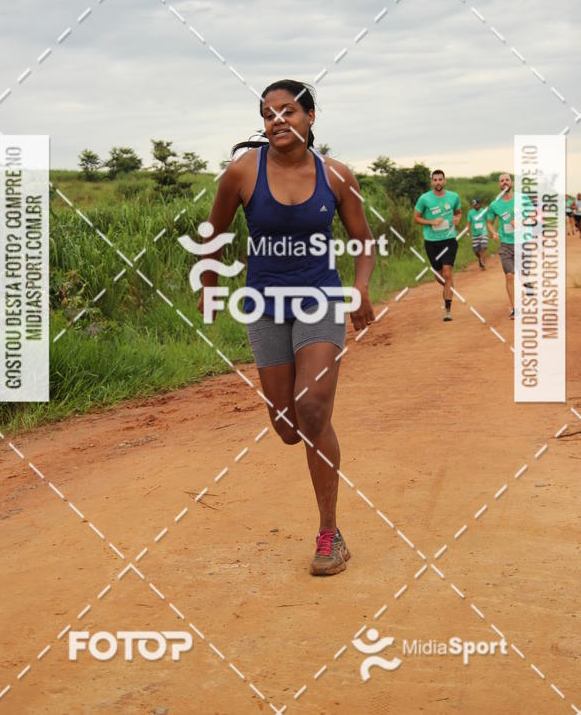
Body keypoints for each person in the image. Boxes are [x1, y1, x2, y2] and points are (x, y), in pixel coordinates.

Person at [197, 79, 376, 576]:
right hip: (265, 306)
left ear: (310, 117)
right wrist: (208, 285)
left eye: (288, 111)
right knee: (287, 428)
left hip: (320, 301)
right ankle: (301, 434)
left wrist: (361, 287)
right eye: (268, 113)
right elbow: (214, 234)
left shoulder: (336, 176)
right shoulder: (242, 172)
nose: (277, 120)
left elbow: (363, 239)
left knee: (312, 409)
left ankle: (329, 534)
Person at [414, 170, 462, 321]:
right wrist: (431, 222)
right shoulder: (424, 199)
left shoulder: (453, 197)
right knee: (439, 276)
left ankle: (447, 309)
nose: (438, 182)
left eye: (440, 179)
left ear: (444, 181)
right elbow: (416, 218)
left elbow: (458, 212)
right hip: (431, 242)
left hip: (449, 240)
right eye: (435, 180)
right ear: (431, 182)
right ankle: (449, 286)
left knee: (447, 272)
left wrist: (457, 219)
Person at [486, 173, 534, 319]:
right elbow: (489, 222)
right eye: (502, 181)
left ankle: (527, 282)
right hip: (506, 244)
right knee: (509, 276)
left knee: (523, 274)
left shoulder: (522, 199)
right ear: (499, 184)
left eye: (507, 180)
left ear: (511, 182)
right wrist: (493, 232)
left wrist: (521, 223)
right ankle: (514, 309)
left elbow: (534, 216)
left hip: (523, 242)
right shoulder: (495, 205)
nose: (504, 182)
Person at [465, 198, 488, 269]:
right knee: (476, 251)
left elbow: (488, 221)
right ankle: (480, 258)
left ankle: (483, 265)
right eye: (474, 205)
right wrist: (467, 230)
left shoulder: (484, 212)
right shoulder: (470, 213)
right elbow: (468, 223)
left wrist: (491, 232)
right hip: (475, 234)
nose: (475, 206)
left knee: (483, 248)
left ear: (480, 204)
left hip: (483, 232)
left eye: (476, 205)